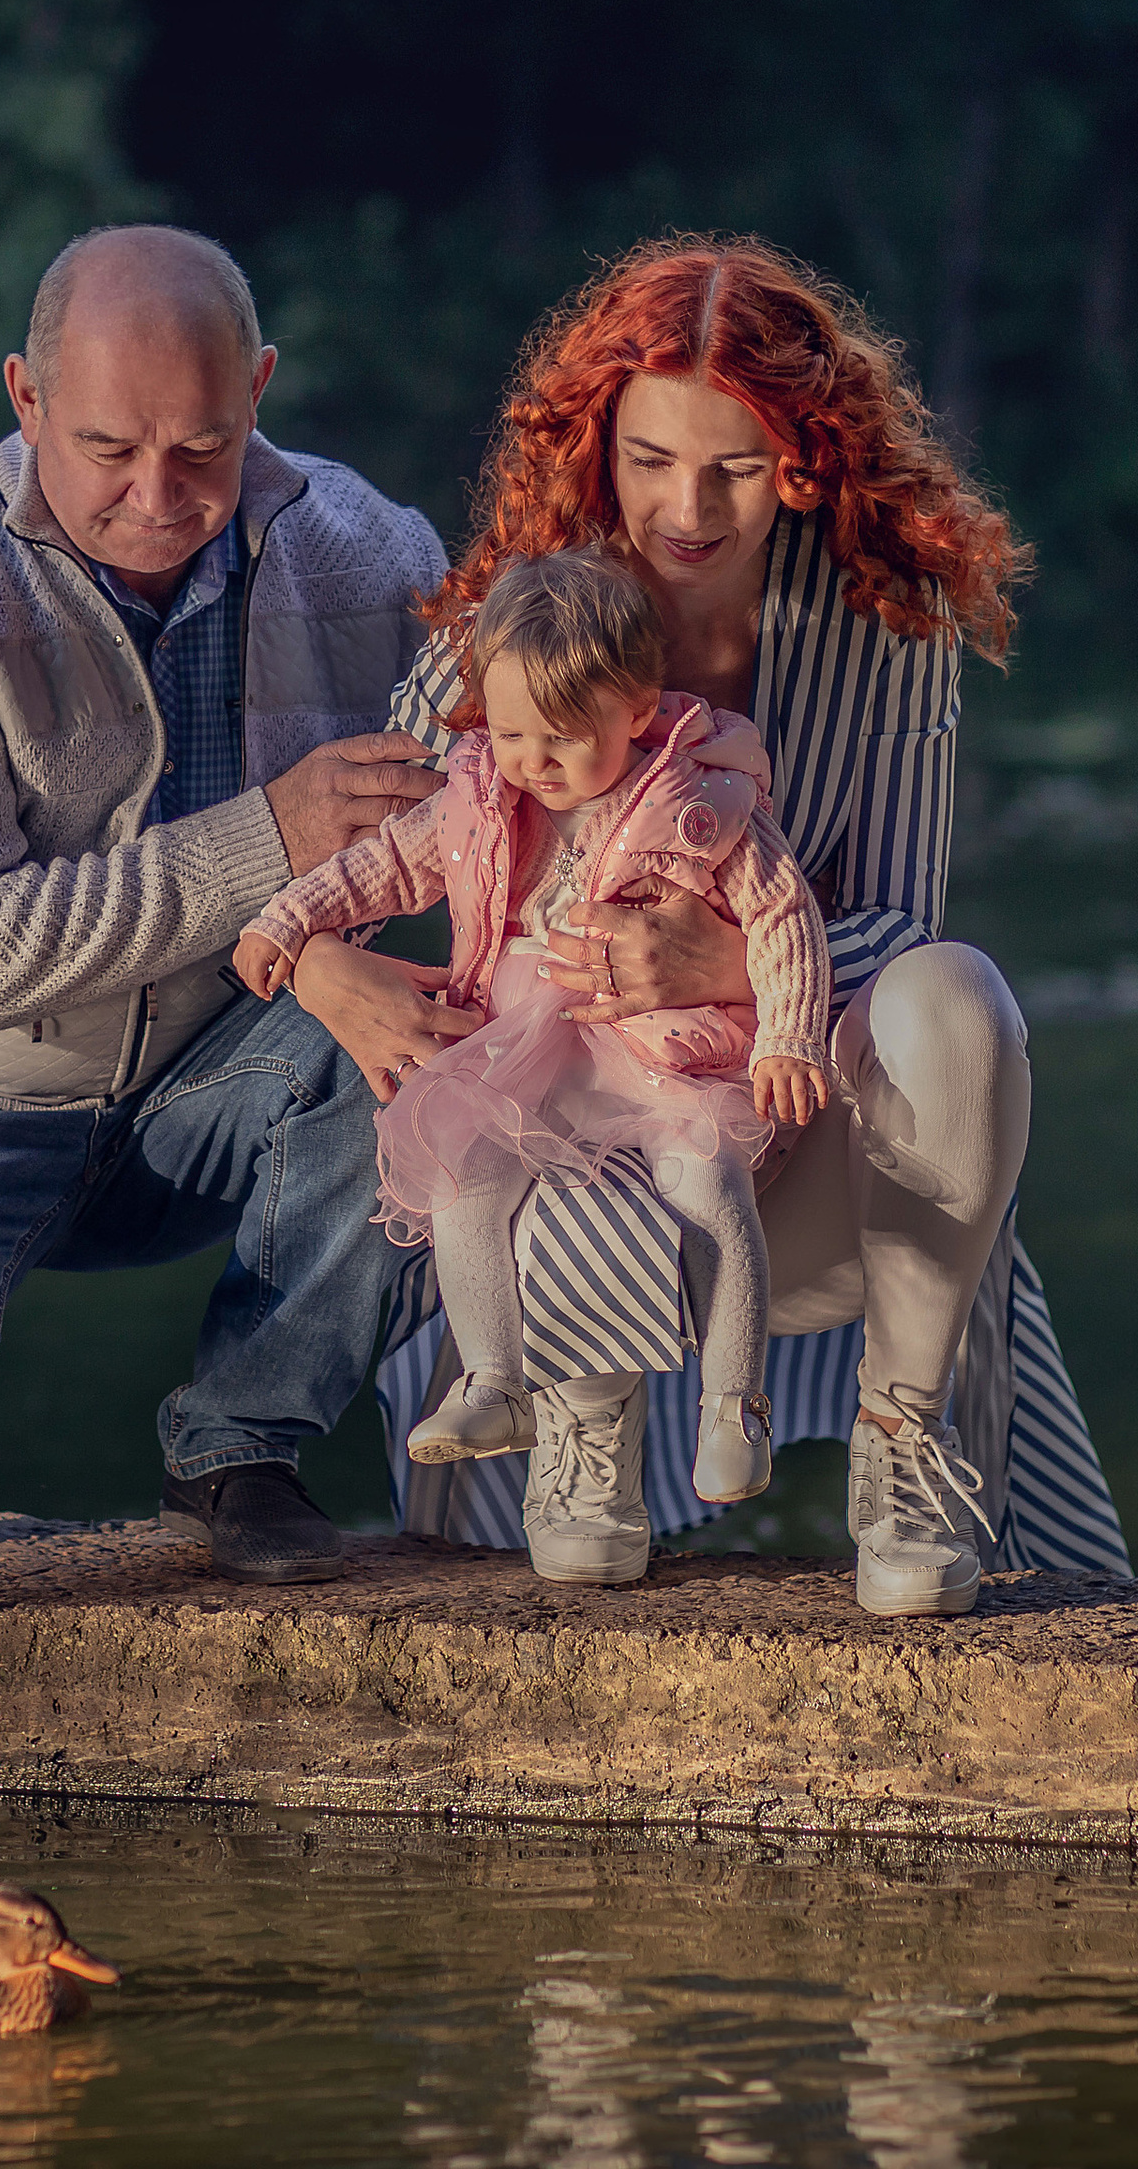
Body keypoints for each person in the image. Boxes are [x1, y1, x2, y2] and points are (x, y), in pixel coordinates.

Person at [286, 234, 1128, 1614]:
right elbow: (382, 856)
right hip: (558, 1127)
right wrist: (319, 966)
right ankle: (571, 1421)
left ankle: (904, 1446)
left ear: (800, 456)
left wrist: (730, 960)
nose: (687, 507)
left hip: (788, 1125)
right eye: (650, 459)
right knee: (515, 1105)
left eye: (734, 466)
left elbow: (903, 920)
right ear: (596, 444)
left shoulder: (886, 631)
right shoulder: (517, 622)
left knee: (959, 994)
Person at [0, 223, 449, 1584]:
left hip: (220, 1073)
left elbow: (524, 749)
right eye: (111, 450)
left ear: (262, 393)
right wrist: (277, 839)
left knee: (440, 1052)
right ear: (26, 398)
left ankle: (241, 1446)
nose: (159, 496)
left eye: (202, 449)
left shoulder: (371, 553)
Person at [231, 547, 834, 1585]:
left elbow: (785, 915)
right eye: (509, 734)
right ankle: (496, 1376)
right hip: (521, 1040)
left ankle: (732, 1405)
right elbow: (380, 865)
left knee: (708, 1182)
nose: (531, 761)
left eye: (561, 738)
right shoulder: (476, 795)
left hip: (651, 1046)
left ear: (638, 709)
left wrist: (788, 1035)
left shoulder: (698, 800)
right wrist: (287, 919)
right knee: (466, 1169)